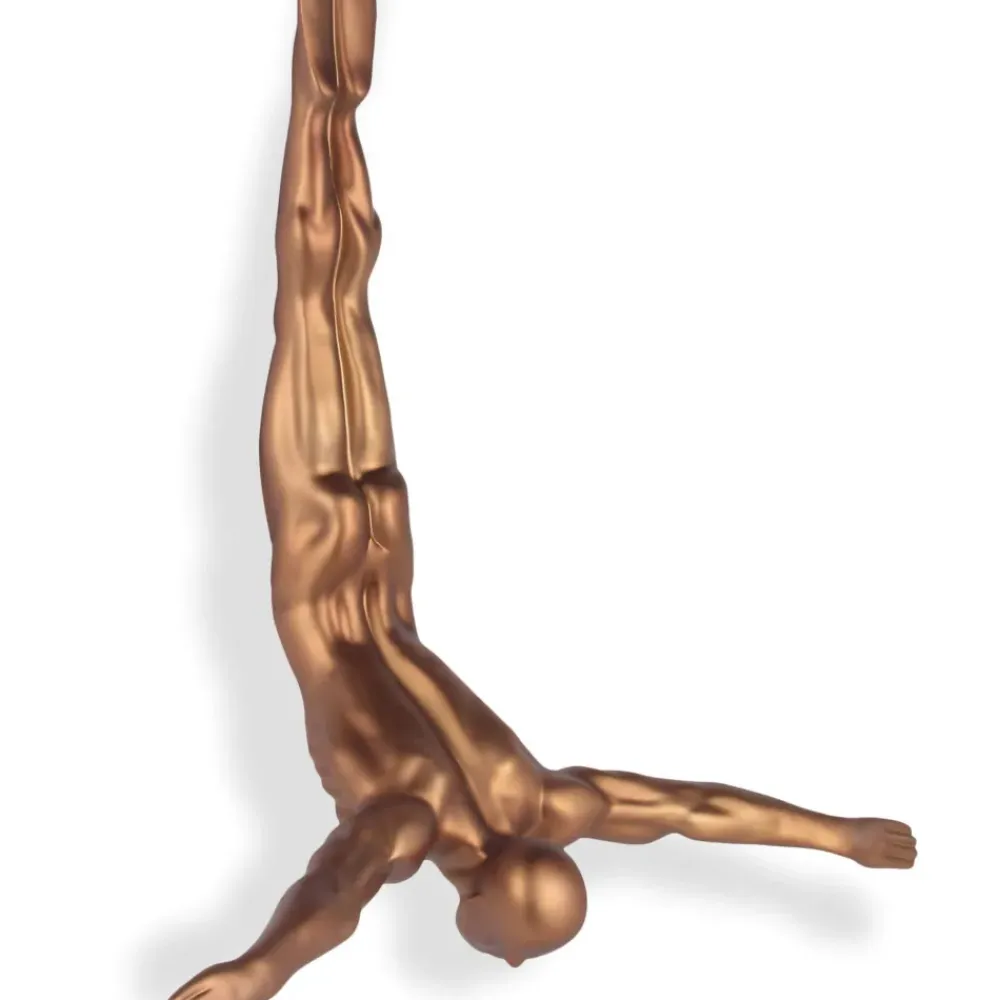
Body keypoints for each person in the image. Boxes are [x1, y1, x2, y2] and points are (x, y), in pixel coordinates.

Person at [170, 3, 916, 997]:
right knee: (320, 278)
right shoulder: (407, 821)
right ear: (483, 913)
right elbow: (335, 891)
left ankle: (335, 52)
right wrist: (258, 973)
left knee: (344, 274)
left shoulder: (548, 802)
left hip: (386, 546)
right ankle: (325, 65)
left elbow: (690, 810)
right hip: (324, 559)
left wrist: (840, 835)